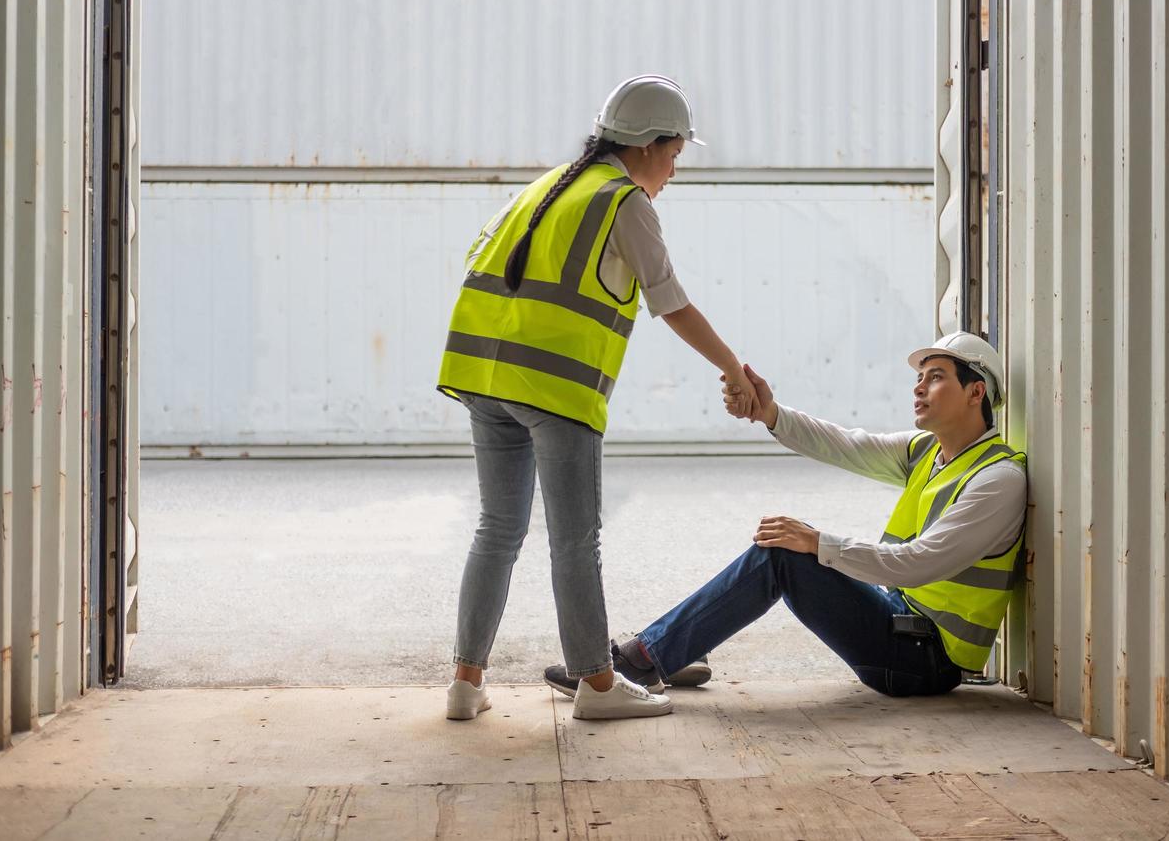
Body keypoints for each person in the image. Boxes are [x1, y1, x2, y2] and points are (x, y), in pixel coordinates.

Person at [438, 75, 754, 721]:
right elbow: (672, 303)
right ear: (646, 146)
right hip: (553, 387)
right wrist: (735, 371)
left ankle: (466, 686)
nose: (672, 170)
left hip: (483, 379)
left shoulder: (548, 187)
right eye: (674, 155)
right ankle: (599, 687)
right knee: (575, 542)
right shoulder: (622, 202)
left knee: (497, 531)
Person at [542, 332, 1028, 699]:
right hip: (901, 627)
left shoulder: (997, 480)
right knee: (784, 545)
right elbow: (846, 444)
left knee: (783, 555)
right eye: (918, 378)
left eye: (936, 376)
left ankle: (642, 662)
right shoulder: (929, 451)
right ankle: (671, 650)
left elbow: (918, 563)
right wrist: (769, 412)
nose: (919, 388)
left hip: (926, 661)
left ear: (976, 392)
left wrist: (819, 543)